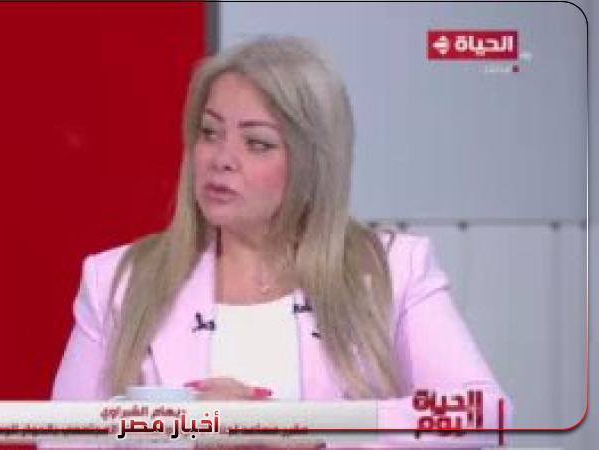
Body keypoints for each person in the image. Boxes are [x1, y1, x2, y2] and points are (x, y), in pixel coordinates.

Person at [51, 36, 510, 439]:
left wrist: (297, 432)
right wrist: (178, 432)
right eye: (209, 133)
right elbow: (63, 437)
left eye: (257, 143)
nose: (221, 159)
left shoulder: (392, 268)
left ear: (312, 162)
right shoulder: (119, 279)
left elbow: (481, 414)